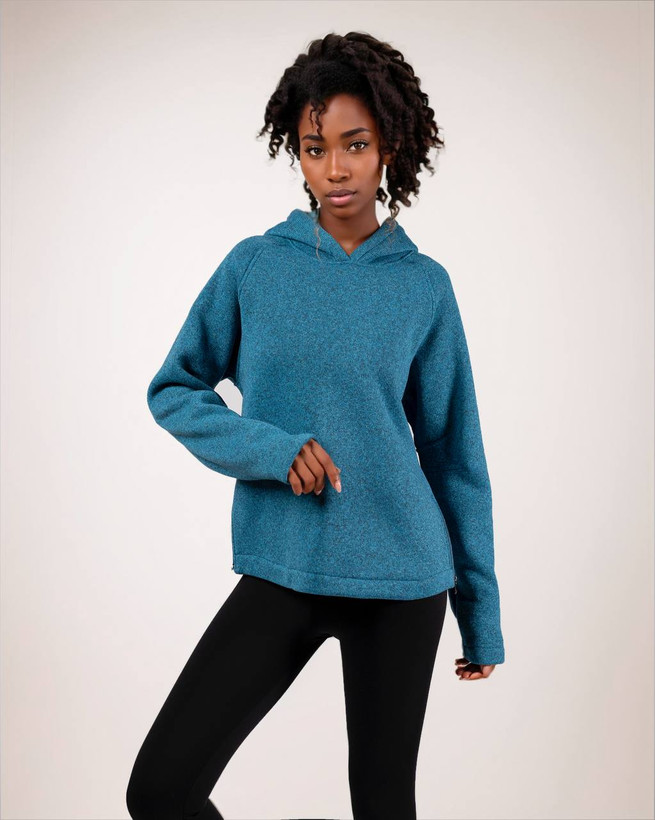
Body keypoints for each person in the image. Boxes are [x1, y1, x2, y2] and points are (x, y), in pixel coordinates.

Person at [126, 31, 505, 820]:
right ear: (294, 154)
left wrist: (479, 613)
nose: (334, 169)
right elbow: (175, 388)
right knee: (161, 790)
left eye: (355, 145)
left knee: (382, 806)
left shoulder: (423, 287)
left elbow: (451, 454)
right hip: (285, 566)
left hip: (402, 578)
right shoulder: (254, 266)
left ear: (388, 147)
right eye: (313, 148)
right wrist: (270, 449)